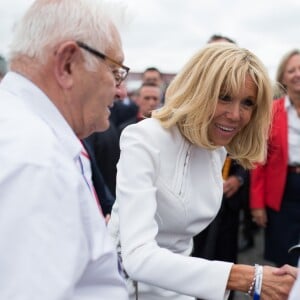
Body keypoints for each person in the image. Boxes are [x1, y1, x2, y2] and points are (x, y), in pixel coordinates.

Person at [108, 42, 296, 300]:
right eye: (225, 97)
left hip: (179, 287)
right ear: (198, 90)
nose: (235, 114)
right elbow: (137, 256)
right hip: (126, 288)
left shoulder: (216, 148)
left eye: (248, 103)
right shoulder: (144, 138)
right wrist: (249, 277)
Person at [0, 0, 130, 299]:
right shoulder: (34, 162)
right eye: (115, 71)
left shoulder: (27, 137)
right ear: (67, 64)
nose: (120, 90)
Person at [192, 36, 252, 276]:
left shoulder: (239, 116)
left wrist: (239, 179)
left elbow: (251, 154)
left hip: (226, 204)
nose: (234, 114)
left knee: (224, 260)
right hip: (191, 208)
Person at [250, 49, 300, 267]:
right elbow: (258, 160)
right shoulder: (271, 111)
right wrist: (257, 205)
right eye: (292, 70)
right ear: (283, 77)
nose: (298, 74)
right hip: (282, 191)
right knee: (284, 260)